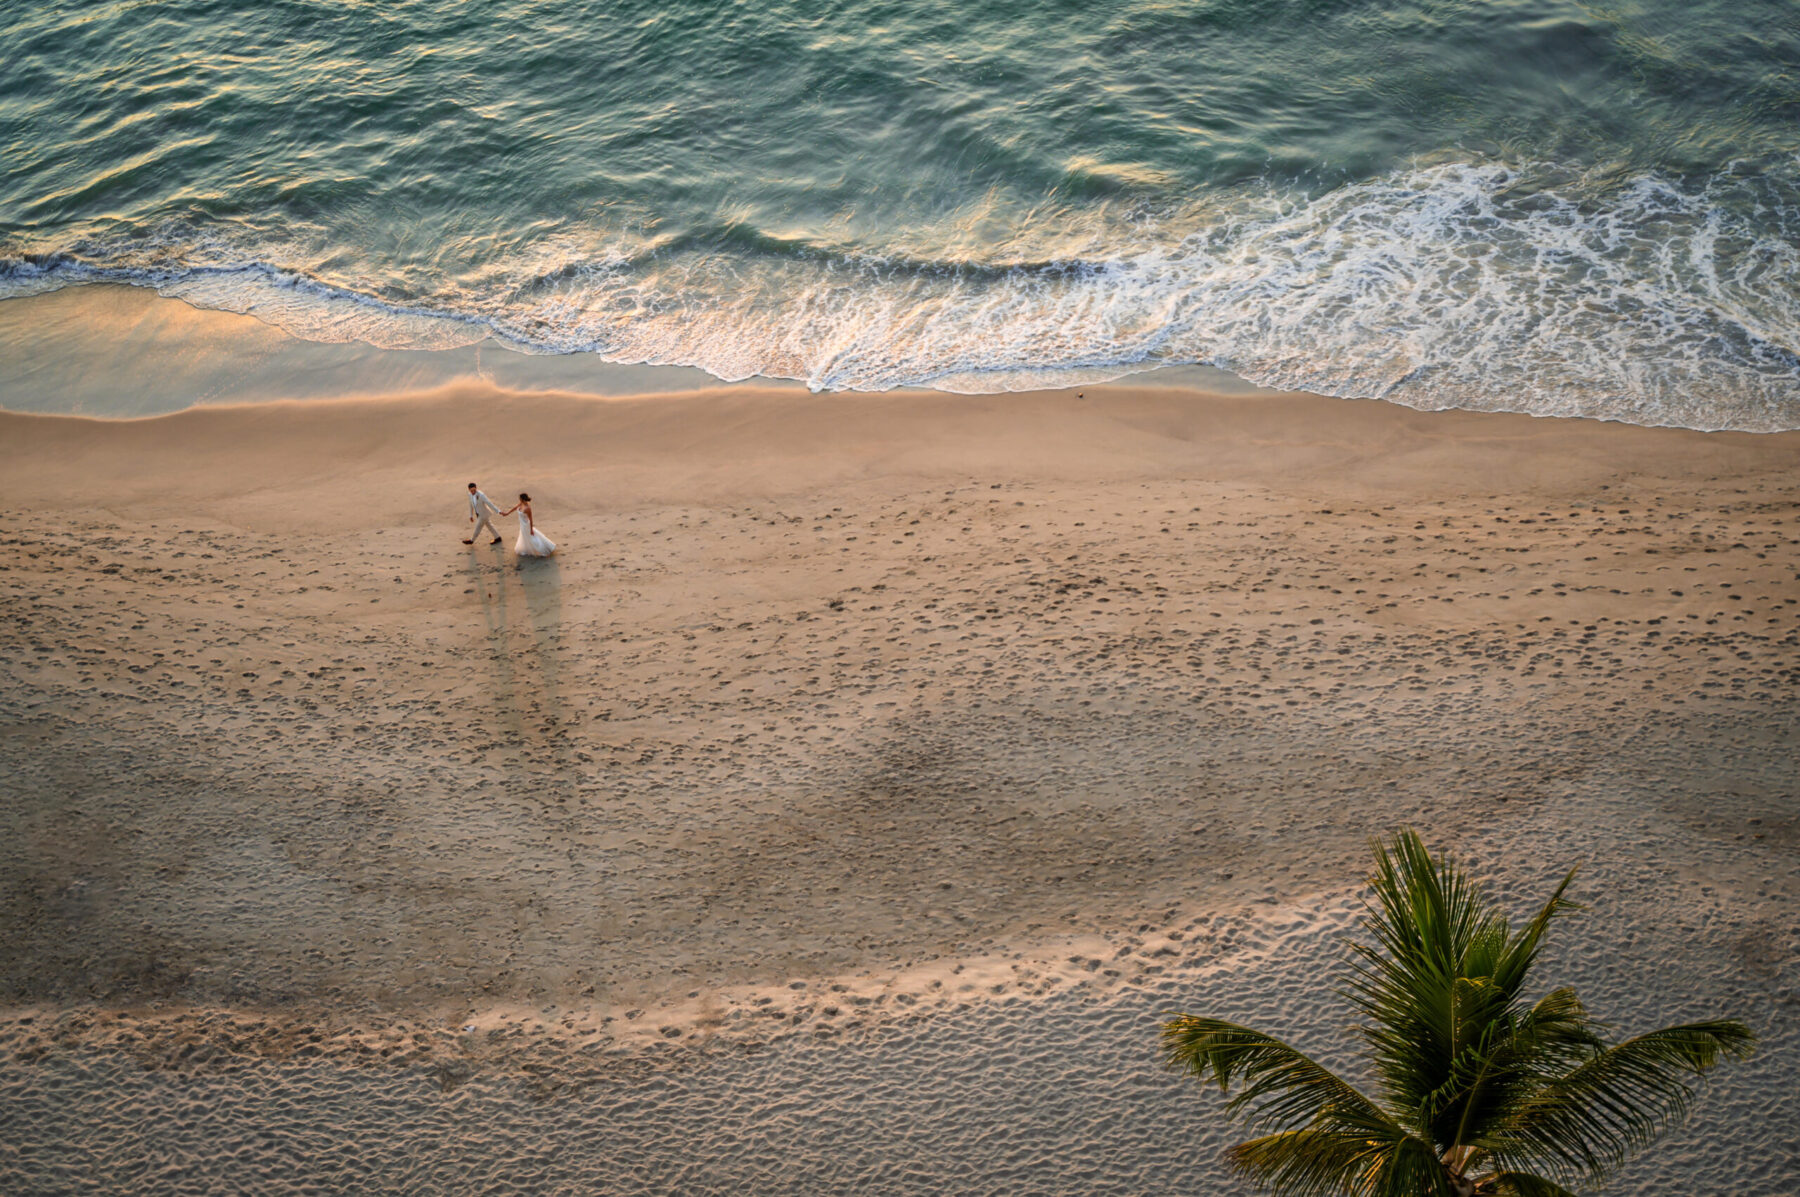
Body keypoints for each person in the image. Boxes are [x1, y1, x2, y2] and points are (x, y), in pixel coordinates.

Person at [501, 492, 557, 558]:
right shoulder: (521, 504)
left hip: (526, 525)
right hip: (522, 525)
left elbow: (531, 519)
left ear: (522, 499)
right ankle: (527, 549)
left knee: (532, 538)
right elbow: (514, 508)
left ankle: (543, 550)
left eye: (520, 499)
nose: (519, 500)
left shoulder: (528, 508)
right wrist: (507, 513)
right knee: (525, 537)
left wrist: (531, 530)